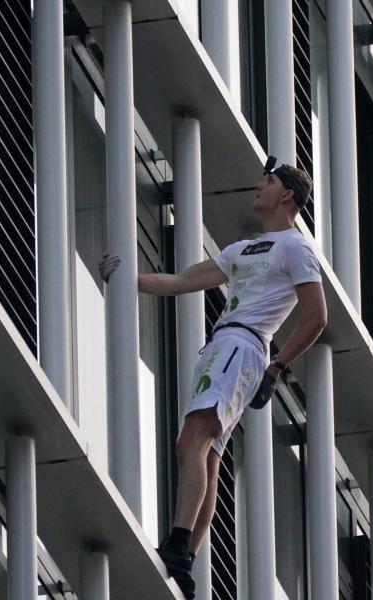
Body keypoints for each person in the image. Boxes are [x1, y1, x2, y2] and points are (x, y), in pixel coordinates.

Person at [99, 157, 327, 598]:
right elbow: (184, 280)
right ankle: (187, 554)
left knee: (193, 441)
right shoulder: (245, 248)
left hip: (243, 345)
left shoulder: (297, 248)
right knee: (207, 455)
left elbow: (316, 316)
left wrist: (277, 368)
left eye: (268, 180)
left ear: (288, 196)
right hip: (224, 347)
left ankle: (179, 543)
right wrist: (126, 277)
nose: (258, 185)